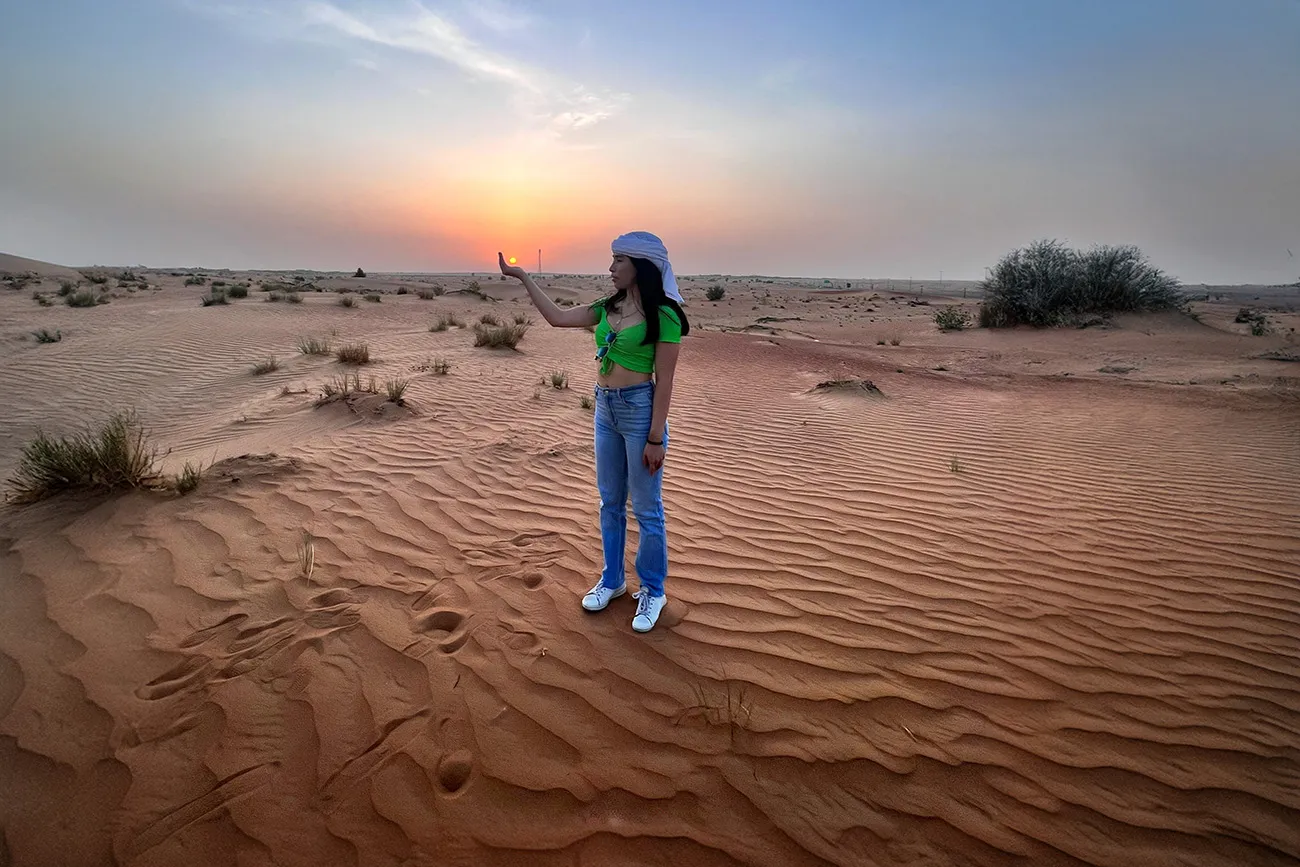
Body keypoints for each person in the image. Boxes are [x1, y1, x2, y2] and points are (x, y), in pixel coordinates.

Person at [498, 231, 689, 632]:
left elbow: (666, 381)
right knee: (610, 502)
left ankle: (653, 590)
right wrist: (522, 277)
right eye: (613, 259)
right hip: (605, 409)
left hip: (641, 412)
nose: (611, 267)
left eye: (619, 260)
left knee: (647, 508)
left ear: (642, 266)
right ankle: (613, 581)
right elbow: (558, 316)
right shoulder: (608, 308)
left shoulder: (665, 315)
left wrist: (656, 438)